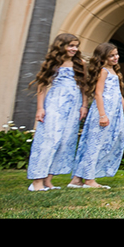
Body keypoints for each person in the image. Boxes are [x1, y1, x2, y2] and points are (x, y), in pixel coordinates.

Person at [26, 33, 87, 191]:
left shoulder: (80, 63)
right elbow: (42, 86)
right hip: (55, 104)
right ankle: (37, 181)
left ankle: (48, 180)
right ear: (61, 46)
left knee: (65, 141)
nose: (74, 49)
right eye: (71, 45)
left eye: (76, 46)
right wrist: (40, 108)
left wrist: (84, 105)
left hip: (74, 106)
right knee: (49, 141)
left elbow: (84, 87)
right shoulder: (52, 63)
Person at [68, 42, 124, 189]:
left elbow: (118, 94)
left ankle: (77, 179)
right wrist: (102, 115)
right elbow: (98, 93)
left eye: (116, 54)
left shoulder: (113, 71)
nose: (115, 57)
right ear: (103, 57)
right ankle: (89, 179)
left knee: (102, 142)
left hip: (114, 111)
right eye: (111, 55)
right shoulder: (103, 71)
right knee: (95, 144)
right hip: (103, 111)